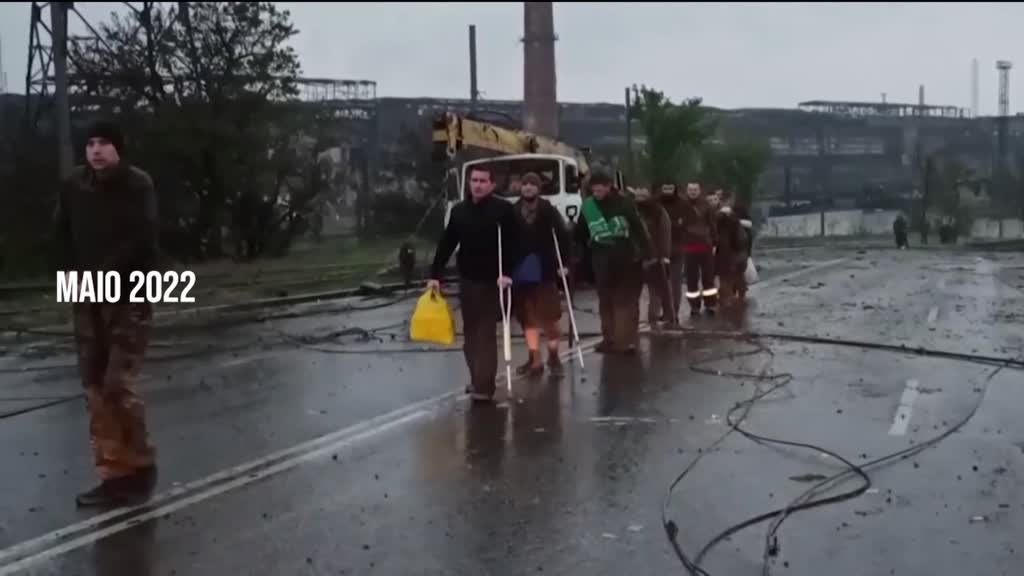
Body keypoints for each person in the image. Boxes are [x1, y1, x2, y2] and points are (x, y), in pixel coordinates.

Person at [53, 119, 160, 508]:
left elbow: (143, 238)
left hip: (129, 293)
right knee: (94, 386)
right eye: (90, 144)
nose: (96, 150)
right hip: (85, 294)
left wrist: (110, 275)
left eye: (104, 143)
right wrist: (70, 277)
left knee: (118, 382)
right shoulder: (73, 187)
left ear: (118, 149)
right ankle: (113, 474)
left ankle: (141, 466)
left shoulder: (137, 185)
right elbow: (62, 234)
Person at [428, 165, 520, 404]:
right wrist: (435, 274)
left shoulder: (503, 210)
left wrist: (508, 273)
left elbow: (514, 245)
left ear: (491, 185)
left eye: (482, 181)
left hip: (493, 281)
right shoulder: (459, 212)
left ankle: (484, 385)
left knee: (485, 334)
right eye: (474, 180)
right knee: (470, 335)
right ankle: (476, 377)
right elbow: (447, 243)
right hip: (468, 280)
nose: (477, 185)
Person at [575, 171, 655, 355]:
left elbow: (637, 227)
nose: (597, 193)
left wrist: (647, 252)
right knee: (605, 300)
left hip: (625, 256)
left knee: (623, 301)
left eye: (600, 189)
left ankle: (625, 340)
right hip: (600, 257)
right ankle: (609, 338)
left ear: (609, 186)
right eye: (593, 190)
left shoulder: (624, 203)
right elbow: (581, 232)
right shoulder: (588, 207)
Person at [509, 172, 572, 376]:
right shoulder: (513, 211)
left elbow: (563, 237)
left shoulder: (548, 210)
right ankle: (535, 359)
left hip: (545, 269)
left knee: (550, 318)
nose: (528, 187)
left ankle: (554, 356)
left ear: (539, 188)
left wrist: (565, 263)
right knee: (528, 318)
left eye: (532, 184)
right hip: (521, 271)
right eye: (525, 184)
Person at [631, 186, 675, 329]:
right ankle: (632, 320)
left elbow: (665, 232)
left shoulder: (658, 211)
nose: (640, 199)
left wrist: (665, 255)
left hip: (654, 256)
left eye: (643, 196)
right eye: (637, 196)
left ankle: (655, 319)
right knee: (633, 292)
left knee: (656, 290)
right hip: (635, 257)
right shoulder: (631, 211)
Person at [678, 182, 718, 316]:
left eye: (695, 189)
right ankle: (694, 307)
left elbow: (712, 225)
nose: (693, 192)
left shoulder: (706, 205)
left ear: (700, 190)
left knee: (708, 278)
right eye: (690, 189)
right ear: (687, 190)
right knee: (691, 279)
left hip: (705, 246)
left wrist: (714, 243)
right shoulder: (682, 205)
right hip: (690, 247)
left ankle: (710, 304)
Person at [713, 190, 750, 306]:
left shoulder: (734, 211)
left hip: (732, 250)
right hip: (736, 250)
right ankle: (736, 297)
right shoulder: (720, 212)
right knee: (733, 275)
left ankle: (729, 300)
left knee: (728, 276)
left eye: (720, 197)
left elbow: (747, 225)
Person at [657, 182, 687, 322]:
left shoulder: (682, 204)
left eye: (670, 188)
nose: (668, 191)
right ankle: (666, 311)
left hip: (677, 247)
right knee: (661, 282)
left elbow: (687, 223)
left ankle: (673, 311)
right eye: (665, 188)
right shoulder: (656, 204)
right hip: (660, 248)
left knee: (675, 281)